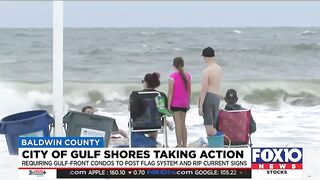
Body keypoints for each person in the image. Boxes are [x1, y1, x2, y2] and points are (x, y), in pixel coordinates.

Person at [129, 72, 174, 141]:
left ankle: (142, 144)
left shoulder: (135, 95)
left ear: (146, 83)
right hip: (155, 124)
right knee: (154, 119)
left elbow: (130, 110)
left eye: (143, 81)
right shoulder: (160, 95)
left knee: (142, 120)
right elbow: (164, 111)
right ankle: (152, 142)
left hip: (138, 125)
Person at [198, 47, 223, 137]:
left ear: (205, 57)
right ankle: (213, 145)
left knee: (209, 128)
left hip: (208, 97)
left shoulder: (206, 71)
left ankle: (223, 136)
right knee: (213, 123)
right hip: (217, 97)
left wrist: (200, 106)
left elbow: (204, 89)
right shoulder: (219, 69)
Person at [168, 57, 191, 147]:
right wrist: (188, 103)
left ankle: (179, 144)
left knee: (178, 124)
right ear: (183, 64)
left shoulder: (172, 77)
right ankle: (184, 144)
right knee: (183, 124)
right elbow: (189, 91)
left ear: (174, 65)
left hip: (175, 104)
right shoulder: (188, 76)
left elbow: (170, 92)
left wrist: (168, 105)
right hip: (184, 103)